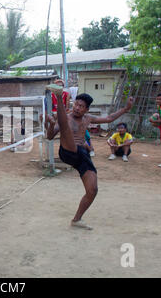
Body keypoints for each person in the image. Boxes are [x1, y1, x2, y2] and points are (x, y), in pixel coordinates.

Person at [44, 80, 134, 230]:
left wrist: (126, 108)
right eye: (76, 104)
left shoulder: (88, 118)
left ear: (86, 109)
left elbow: (109, 118)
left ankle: (77, 220)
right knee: (66, 125)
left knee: (93, 190)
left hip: (82, 155)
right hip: (67, 151)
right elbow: (50, 136)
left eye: (81, 106)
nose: (77, 108)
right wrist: (52, 124)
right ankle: (58, 96)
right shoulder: (66, 116)